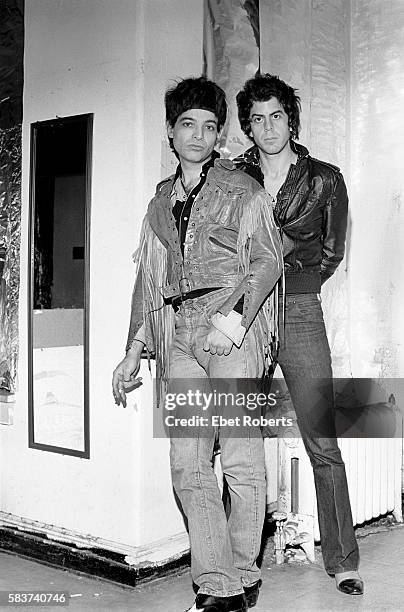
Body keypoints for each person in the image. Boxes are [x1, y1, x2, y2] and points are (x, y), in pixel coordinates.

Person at [112, 77, 283, 612]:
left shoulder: (242, 189)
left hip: (232, 331)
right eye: (189, 124)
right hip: (179, 336)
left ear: (218, 135)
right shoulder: (160, 201)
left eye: (210, 127)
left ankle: (241, 570)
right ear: (171, 131)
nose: (200, 136)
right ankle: (220, 585)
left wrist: (229, 322)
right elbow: (151, 279)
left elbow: (268, 260)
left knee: (240, 461)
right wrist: (134, 348)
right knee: (188, 464)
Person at [234, 73, 363, 596]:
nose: (268, 127)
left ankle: (343, 558)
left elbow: (331, 252)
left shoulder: (324, 179)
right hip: (241, 312)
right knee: (235, 439)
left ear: (292, 119)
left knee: (322, 439)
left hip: (299, 310)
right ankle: (236, 567)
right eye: (258, 119)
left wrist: (288, 271)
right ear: (248, 126)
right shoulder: (232, 178)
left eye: (277, 116)